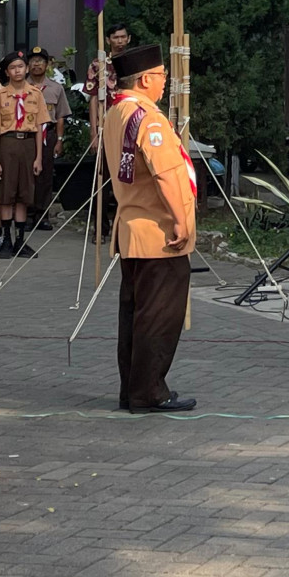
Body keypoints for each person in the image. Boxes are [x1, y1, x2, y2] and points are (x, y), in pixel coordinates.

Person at [103, 43, 197, 413]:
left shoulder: (116, 112)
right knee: (159, 316)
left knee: (135, 313)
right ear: (145, 79)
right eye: (161, 76)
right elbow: (166, 174)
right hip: (159, 230)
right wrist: (179, 218)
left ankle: (133, 387)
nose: (164, 83)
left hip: (131, 226)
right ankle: (149, 391)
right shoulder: (149, 118)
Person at [0, 51, 48, 260]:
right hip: (7, 143)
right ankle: (6, 239)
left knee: (24, 194)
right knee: (6, 194)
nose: (17, 71)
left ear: (27, 69)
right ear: (6, 72)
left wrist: (39, 157)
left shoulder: (36, 94)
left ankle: (20, 240)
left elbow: (40, 127)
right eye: (13, 68)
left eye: (21, 67)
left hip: (28, 144)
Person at [29, 47, 68, 229]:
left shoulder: (56, 88)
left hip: (49, 133)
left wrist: (59, 140)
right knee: (27, 175)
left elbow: (60, 116)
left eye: (40, 61)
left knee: (45, 175)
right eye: (33, 60)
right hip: (27, 135)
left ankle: (42, 214)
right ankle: (27, 214)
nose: (36, 64)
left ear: (47, 64)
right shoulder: (21, 87)